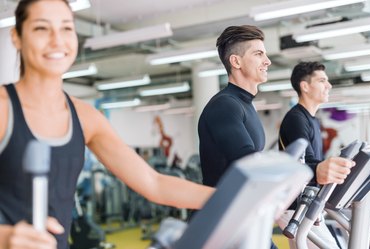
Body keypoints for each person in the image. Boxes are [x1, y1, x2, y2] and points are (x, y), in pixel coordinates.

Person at [0, 1, 214, 249]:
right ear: (16, 37)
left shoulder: (85, 117)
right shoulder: (4, 109)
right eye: (41, 28)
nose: (57, 40)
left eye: (66, 28)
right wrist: (5, 237)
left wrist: (230, 198)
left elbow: (154, 183)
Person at [198, 25, 277, 249]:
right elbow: (249, 162)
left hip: (244, 217)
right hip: (225, 224)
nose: (267, 61)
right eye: (259, 53)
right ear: (236, 61)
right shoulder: (225, 106)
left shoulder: (243, 105)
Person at [277, 61, 355, 249]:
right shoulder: (296, 119)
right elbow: (306, 163)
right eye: (322, 80)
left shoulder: (311, 120)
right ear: (305, 86)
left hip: (308, 202)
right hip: (296, 206)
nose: (328, 85)